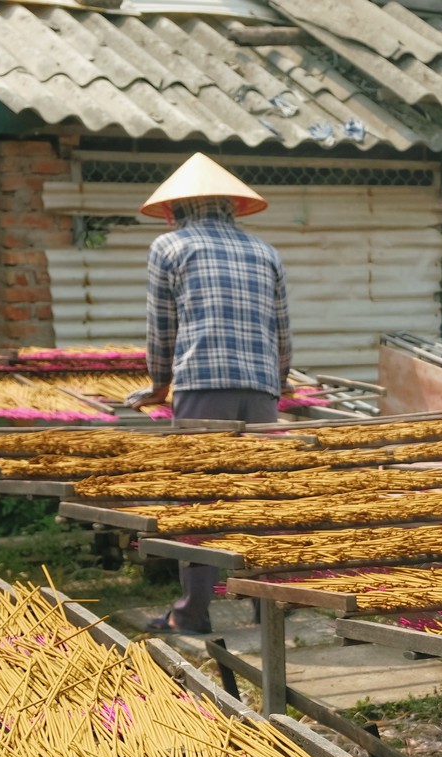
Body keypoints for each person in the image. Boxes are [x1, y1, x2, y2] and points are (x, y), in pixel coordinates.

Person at [129, 152, 290, 635]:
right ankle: (270, 607)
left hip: (201, 385)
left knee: (200, 499)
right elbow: (283, 333)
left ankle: (193, 613)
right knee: (255, 497)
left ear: (177, 209)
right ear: (228, 206)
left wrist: (159, 387)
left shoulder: (170, 246)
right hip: (260, 389)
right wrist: (275, 387)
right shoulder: (265, 251)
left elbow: (163, 329)